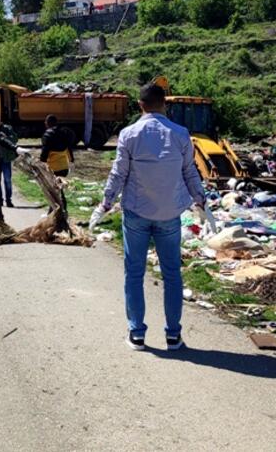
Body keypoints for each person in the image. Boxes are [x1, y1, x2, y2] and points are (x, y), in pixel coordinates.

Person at [93, 82, 206, 351]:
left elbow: (119, 173)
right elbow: (189, 171)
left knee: (134, 273)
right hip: (169, 214)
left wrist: (106, 203)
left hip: (136, 213)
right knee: (172, 274)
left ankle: (137, 334)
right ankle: (173, 336)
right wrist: (200, 199)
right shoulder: (180, 134)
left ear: (140, 105)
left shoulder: (129, 134)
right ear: (164, 103)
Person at [0, 113, 18, 207]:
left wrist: (6, 137)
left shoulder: (7, 128)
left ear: (0, 119)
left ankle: (8, 200)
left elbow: (15, 139)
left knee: (7, 180)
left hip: (5, 159)